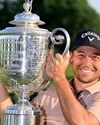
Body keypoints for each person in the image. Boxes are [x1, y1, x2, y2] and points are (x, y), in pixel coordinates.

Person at [0, 29, 100, 125]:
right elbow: (16, 120)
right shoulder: (47, 96)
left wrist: (59, 77)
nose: (87, 63)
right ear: (70, 57)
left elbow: (82, 122)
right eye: (81, 55)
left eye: (95, 57)